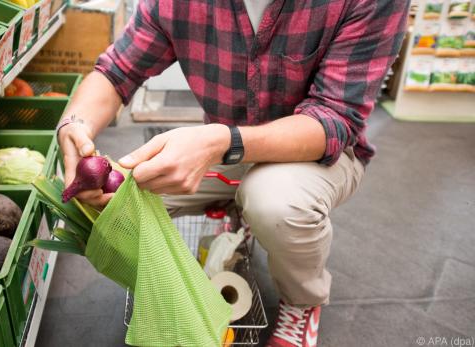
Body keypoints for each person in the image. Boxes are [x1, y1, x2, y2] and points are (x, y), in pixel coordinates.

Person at [57, 0, 408, 345]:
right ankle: (229, 218)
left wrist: (220, 144)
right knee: (112, 200)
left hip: (317, 153)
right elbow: (118, 70)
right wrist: (74, 126)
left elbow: (335, 117)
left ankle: (303, 301)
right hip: (218, 148)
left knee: (276, 203)